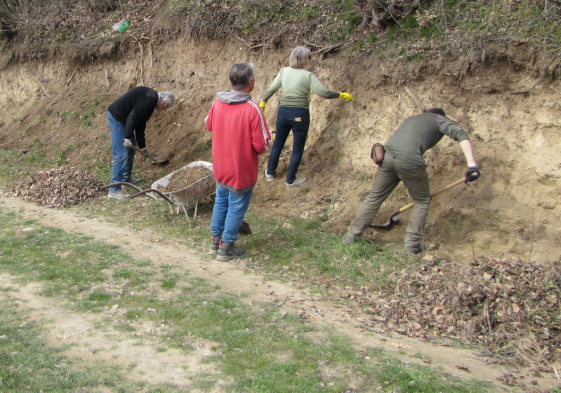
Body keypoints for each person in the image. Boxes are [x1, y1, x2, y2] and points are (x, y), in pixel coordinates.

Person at [342, 108, 481, 255]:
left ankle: (350, 237)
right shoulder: (437, 119)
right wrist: (472, 165)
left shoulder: (412, 119)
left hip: (387, 157)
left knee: (374, 197)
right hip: (409, 160)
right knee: (422, 201)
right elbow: (461, 134)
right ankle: (412, 246)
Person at [259, 46, 354, 189]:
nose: (310, 60)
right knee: (297, 149)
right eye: (309, 57)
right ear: (304, 59)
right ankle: (290, 181)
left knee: (278, 142)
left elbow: (272, 89)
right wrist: (341, 95)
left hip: (283, 113)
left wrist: (263, 102)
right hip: (300, 115)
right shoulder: (308, 75)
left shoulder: (284, 71)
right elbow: (324, 93)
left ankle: (270, 173)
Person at [205, 63, 271, 261]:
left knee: (221, 202)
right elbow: (260, 145)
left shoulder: (218, 103)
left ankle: (215, 242)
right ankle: (226, 247)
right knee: (236, 207)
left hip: (220, 165)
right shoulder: (253, 109)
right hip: (240, 169)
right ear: (250, 82)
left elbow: (208, 124)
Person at [106, 86, 175, 199]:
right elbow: (132, 117)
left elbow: (140, 123)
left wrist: (142, 146)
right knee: (121, 154)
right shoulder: (150, 99)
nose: (164, 109)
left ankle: (126, 179)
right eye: (166, 107)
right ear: (165, 102)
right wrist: (127, 137)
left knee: (131, 150)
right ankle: (114, 189)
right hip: (117, 117)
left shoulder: (152, 101)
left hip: (125, 119)